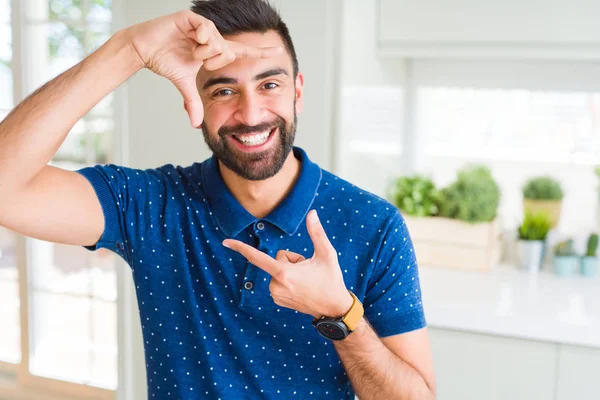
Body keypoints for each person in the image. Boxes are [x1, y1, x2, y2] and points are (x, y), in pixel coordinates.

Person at [0, 0, 436, 398]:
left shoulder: (374, 225)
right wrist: (128, 49)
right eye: (224, 91)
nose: (250, 114)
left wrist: (341, 315)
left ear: (297, 90)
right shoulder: (150, 205)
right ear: (196, 99)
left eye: (269, 85)